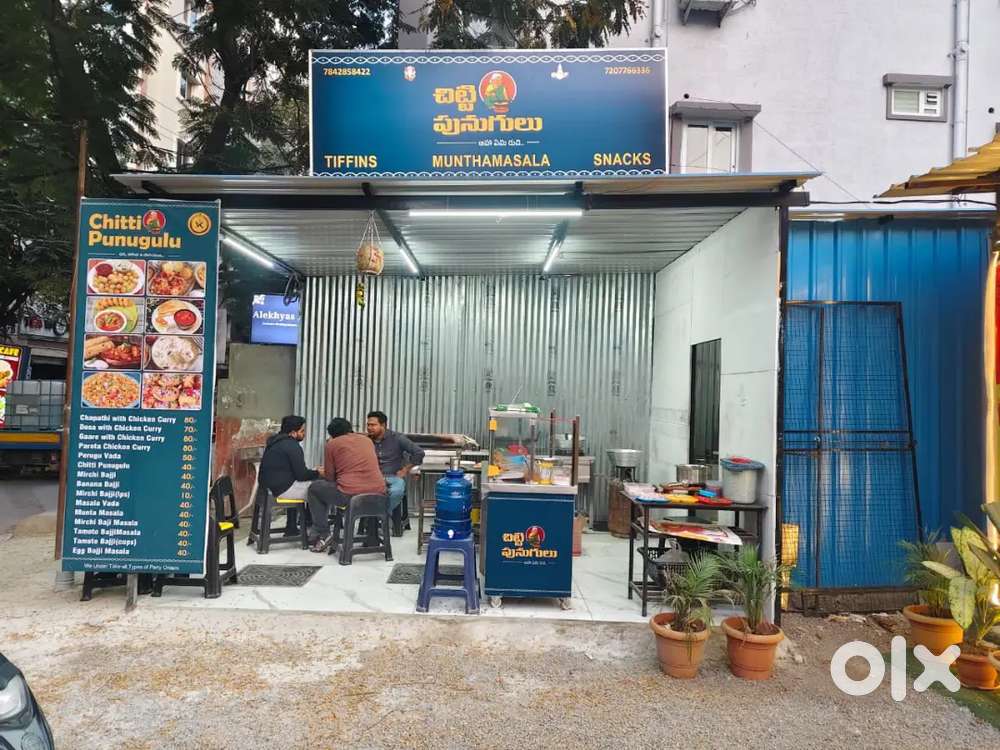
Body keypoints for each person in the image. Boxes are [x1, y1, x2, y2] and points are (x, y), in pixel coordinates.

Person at [306, 417, 386, 553]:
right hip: (379, 492)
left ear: (333, 434)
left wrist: (322, 471)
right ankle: (372, 537)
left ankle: (322, 533)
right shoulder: (367, 441)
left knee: (315, 488)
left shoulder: (332, 444)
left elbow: (330, 477)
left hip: (350, 495)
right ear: (349, 429)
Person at [257, 415, 321, 537]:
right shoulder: (292, 446)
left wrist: (313, 472)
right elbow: (301, 475)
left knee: (303, 484)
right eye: (302, 431)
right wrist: (318, 473)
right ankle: (317, 531)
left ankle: (291, 527)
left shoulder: (274, 442)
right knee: (319, 491)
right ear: (293, 433)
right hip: (281, 490)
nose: (304, 434)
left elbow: (295, 474)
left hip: (268, 488)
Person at [365, 410, 425, 514]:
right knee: (359, 492)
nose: (369, 428)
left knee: (396, 492)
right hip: (372, 478)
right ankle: (378, 516)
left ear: (383, 425)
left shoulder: (397, 438)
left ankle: (382, 514)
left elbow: (418, 452)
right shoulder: (366, 440)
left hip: (393, 476)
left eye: (373, 425)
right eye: (368, 425)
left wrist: (405, 469)